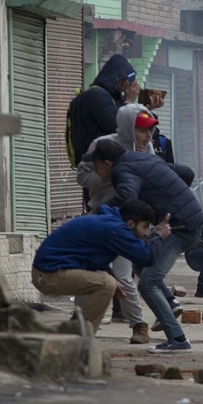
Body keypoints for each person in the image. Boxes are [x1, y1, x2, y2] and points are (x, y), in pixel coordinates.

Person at [85, 139, 203, 353]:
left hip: (181, 227)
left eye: (96, 168)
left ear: (107, 163)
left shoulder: (121, 170)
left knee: (148, 283)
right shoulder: (143, 158)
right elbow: (185, 172)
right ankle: (169, 302)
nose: (97, 174)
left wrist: (97, 215)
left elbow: (127, 195)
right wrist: (173, 195)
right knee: (141, 262)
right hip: (186, 219)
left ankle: (178, 340)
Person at [77, 104, 172, 345]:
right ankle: (78, 320)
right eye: (142, 130)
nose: (148, 136)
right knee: (85, 270)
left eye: (150, 131)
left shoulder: (147, 148)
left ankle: (138, 325)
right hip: (100, 217)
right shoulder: (102, 145)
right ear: (128, 127)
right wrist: (110, 176)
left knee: (124, 275)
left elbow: (152, 177)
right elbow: (82, 176)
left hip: (127, 221)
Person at [31, 199, 170, 336]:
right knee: (106, 285)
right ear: (131, 223)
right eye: (145, 227)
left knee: (109, 283)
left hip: (49, 272)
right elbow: (147, 258)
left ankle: (76, 327)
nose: (146, 233)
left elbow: (96, 259)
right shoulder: (116, 229)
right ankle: (80, 338)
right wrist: (158, 235)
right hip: (49, 275)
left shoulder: (110, 222)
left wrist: (115, 279)